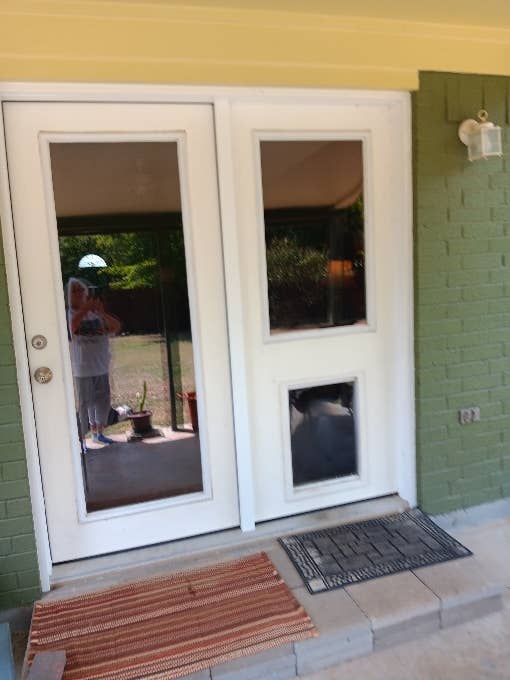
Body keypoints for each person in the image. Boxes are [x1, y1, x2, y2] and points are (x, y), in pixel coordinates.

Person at [67, 278, 121, 449]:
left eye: (82, 290)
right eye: (75, 290)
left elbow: (116, 327)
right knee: (85, 404)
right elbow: (72, 328)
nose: (80, 293)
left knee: (102, 401)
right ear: (68, 295)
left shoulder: (95, 314)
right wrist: (85, 309)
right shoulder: (69, 314)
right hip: (82, 368)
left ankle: (98, 434)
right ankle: (81, 440)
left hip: (101, 366)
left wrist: (101, 313)